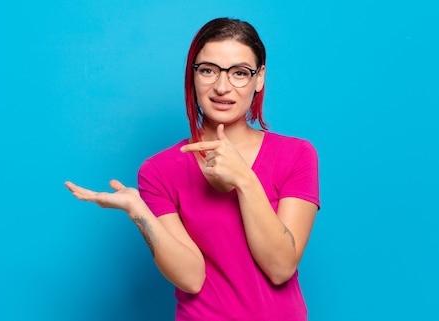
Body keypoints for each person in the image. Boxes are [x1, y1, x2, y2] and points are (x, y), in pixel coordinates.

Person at [65, 17, 320, 321]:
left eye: (239, 73)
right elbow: (191, 277)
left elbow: (281, 268)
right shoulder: (159, 170)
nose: (222, 87)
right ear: (193, 75)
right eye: (209, 70)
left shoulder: (296, 155)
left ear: (259, 78)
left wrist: (244, 180)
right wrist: (138, 211)